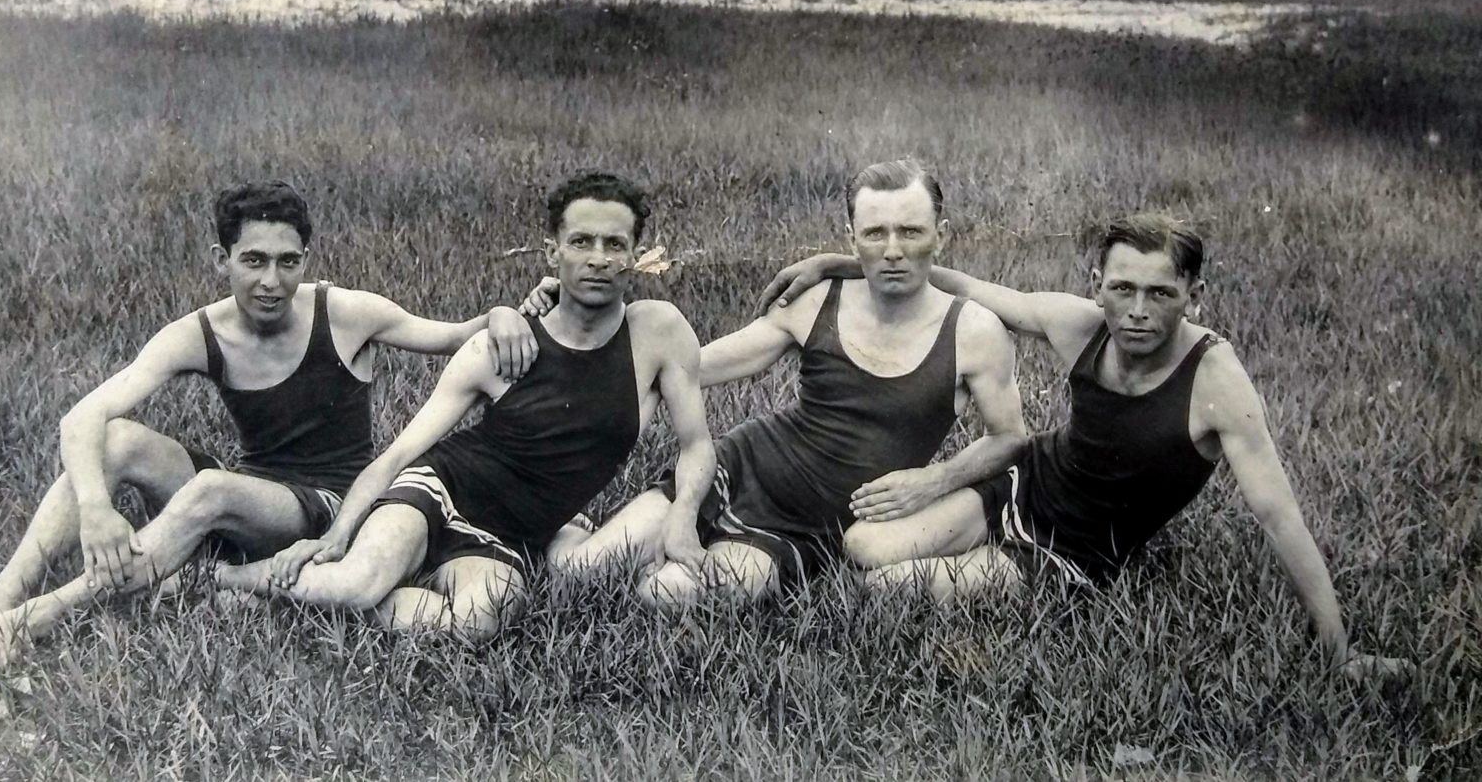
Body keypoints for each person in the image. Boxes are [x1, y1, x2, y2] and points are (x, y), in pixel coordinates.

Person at [759, 213, 1407, 678]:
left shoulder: (1215, 379)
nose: (1137, 310)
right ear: (1097, 282)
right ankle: (968, 541)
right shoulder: (1081, 324)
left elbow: (1279, 515)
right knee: (860, 544)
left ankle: (990, 567)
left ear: (1194, 294)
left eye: (1161, 293)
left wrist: (1339, 648)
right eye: (1121, 288)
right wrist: (837, 263)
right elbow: (970, 288)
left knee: (884, 591)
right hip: (1021, 484)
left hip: (1070, 552)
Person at [0, 181, 539, 664]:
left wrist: (505, 311)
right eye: (254, 261)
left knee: (212, 489)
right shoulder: (200, 331)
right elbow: (84, 415)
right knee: (114, 441)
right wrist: (95, 506)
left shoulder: (345, 312)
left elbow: (459, 335)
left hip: (326, 505)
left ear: (306, 258)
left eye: (288, 262)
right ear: (222, 259)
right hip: (247, 492)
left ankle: (35, 618)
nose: (272, 281)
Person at [212, 172, 715, 640]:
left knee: (476, 623)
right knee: (356, 584)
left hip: (512, 539)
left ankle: (289, 601)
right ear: (552, 252)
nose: (598, 258)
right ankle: (231, 577)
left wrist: (684, 516)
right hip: (440, 491)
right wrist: (338, 536)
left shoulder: (659, 332)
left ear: (636, 255)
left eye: (615, 244)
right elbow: (397, 455)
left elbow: (695, 446)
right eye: (581, 241)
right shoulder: (503, 347)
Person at [549, 160, 1025, 607]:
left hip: (814, 526)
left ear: (940, 236)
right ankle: (566, 525)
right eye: (875, 233)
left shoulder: (974, 331)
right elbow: (695, 366)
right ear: (851, 238)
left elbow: (1008, 437)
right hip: (741, 469)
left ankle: (644, 543)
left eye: (911, 232)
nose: (893, 250)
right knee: (582, 575)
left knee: (667, 595)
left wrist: (934, 480)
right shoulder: (818, 299)